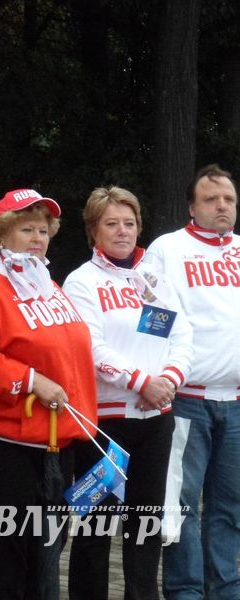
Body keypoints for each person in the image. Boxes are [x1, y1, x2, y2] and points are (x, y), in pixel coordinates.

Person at [0, 189, 97, 600]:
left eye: (43, 231)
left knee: (46, 555)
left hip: (55, 443)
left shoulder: (48, 285)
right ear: (1, 235)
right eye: (26, 229)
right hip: (5, 446)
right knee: (9, 559)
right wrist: (32, 380)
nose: (37, 238)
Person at [62, 186, 193, 600]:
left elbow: (181, 335)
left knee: (146, 526)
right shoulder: (81, 281)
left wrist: (167, 380)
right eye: (112, 223)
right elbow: (90, 348)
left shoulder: (153, 279)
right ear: (93, 230)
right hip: (104, 424)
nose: (122, 231)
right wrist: (141, 382)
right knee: (95, 528)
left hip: (156, 419)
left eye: (130, 223)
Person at [147, 164, 240, 600]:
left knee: (230, 506)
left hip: (237, 402)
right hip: (186, 399)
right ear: (191, 206)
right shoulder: (167, 249)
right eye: (211, 199)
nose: (222, 206)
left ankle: (225, 589)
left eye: (229, 199)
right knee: (181, 505)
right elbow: (151, 320)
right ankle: (185, 591)